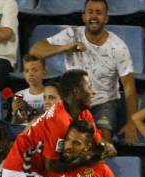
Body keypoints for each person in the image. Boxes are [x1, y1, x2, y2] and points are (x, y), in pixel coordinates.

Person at [30, 0, 138, 145]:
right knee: (58, 136)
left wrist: (132, 123)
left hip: (103, 102)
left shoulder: (118, 47)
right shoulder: (72, 34)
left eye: (99, 13)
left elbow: (130, 88)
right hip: (74, 101)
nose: (94, 16)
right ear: (83, 16)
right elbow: (35, 51)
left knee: (103, 140)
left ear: (106, 18)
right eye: (90, 12)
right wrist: (65, 48)